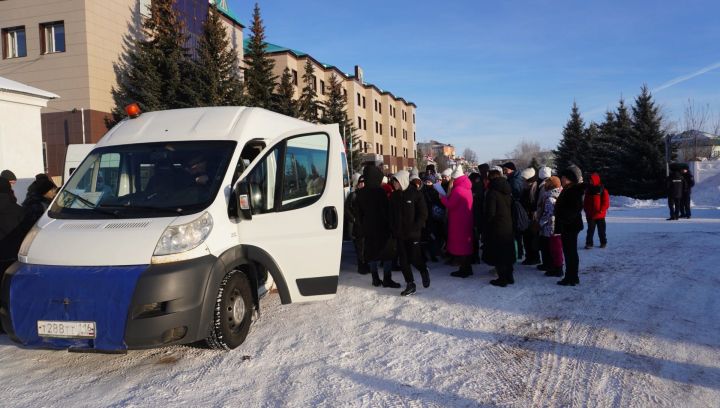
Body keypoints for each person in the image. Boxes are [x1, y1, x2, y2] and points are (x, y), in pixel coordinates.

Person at [355, 165, 401, 288]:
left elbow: (358, 213)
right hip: (382, 227)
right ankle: (387, 278)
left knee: (372, 253)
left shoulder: (360, 193)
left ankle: (375, 278)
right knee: (387, 253)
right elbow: (387, 210)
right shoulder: (380, 192)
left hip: (368, 228)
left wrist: (362, 226)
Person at [389, 170, 430, 296]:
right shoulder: (394, 196)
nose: (394, 185)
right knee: (403, 261)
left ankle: (423, 270)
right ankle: (410, 284)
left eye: (395, 182)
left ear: (401, 181)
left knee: (414, 258)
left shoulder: (415, 194)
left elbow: (423, 214)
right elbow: (390, 214)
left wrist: (415, 227)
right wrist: (393, 228)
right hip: (400, 234)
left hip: (413, 234)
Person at [483, 169, 516, 287]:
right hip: (508, 224)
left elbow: (490, 212)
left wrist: (486, 224)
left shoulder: (492, 192)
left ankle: (502, 279)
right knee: (507, 251)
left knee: (499, 252)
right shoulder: (507, 189)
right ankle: (509, 276)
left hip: (496, 226)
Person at [440, 166, 474, 278]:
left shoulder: (458, 190)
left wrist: (442, 197)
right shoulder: (467, 188)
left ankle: (463, 270)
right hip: (466, 220)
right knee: (465, 245)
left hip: (458, 222)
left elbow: (450, 205)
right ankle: (467, 268)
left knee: (460, 246)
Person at [554, 165, 585, 286]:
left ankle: (571, 277)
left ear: (571, 178)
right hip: (569, 226)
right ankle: (572, 276)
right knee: (569, 252)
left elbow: (574, 209)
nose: (561, 179)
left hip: (570, 226)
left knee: (570, 253)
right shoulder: (569, 189)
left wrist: (563, 218)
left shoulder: (573, 190)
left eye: (564, 177)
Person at [537, 176, 563, 276]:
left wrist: (540, 223)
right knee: (553, 248)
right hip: (555, 226)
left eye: (547, 183)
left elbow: (548, 214)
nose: (545, 185)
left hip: (550, 227)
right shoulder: (558, 194)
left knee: (553, 248)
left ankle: (555, 268)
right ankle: (553, 266)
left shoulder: (550, 198)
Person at [345, 174, 368, 274]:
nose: (362, 184)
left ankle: (365, 264)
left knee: (365, 246)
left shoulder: (367, 194)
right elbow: (346, 209)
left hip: (365, 225)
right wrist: (353, 219)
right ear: (357, 184)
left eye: (364, 182)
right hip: (357, 226)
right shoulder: (353, 195)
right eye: (360, 182)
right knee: (360, 246)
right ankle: (361, 266)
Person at [502, 162, 525, 260]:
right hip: (515, 207)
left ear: (511, 169)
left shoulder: (514, 180)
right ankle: (519, 251)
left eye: (505, 170)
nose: (504, 172)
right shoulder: (512, 179)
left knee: (516, 232)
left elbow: (516, 194)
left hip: (515, 208)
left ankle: (518, 252)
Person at [519, 167, 541, 265]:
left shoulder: (535, 188)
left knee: (532, 238)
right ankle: (529, 257)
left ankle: (534, 257)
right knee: (527, 239)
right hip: (526, 217)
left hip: (532, 217)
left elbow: (534, 203)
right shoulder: (526, 188)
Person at [583, 172, 610, 249]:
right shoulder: (588, 190)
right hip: (590, 215)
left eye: (591, 180)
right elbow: (585, 202)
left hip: (600, 215)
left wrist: (601, 210)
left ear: (595, 180)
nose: (590, 181)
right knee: (590, 231)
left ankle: (603, 242)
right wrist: (586, 210)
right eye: (589, 180)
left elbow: (606, 202)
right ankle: (589, 244)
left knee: (601, 231)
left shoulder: (602, 190)